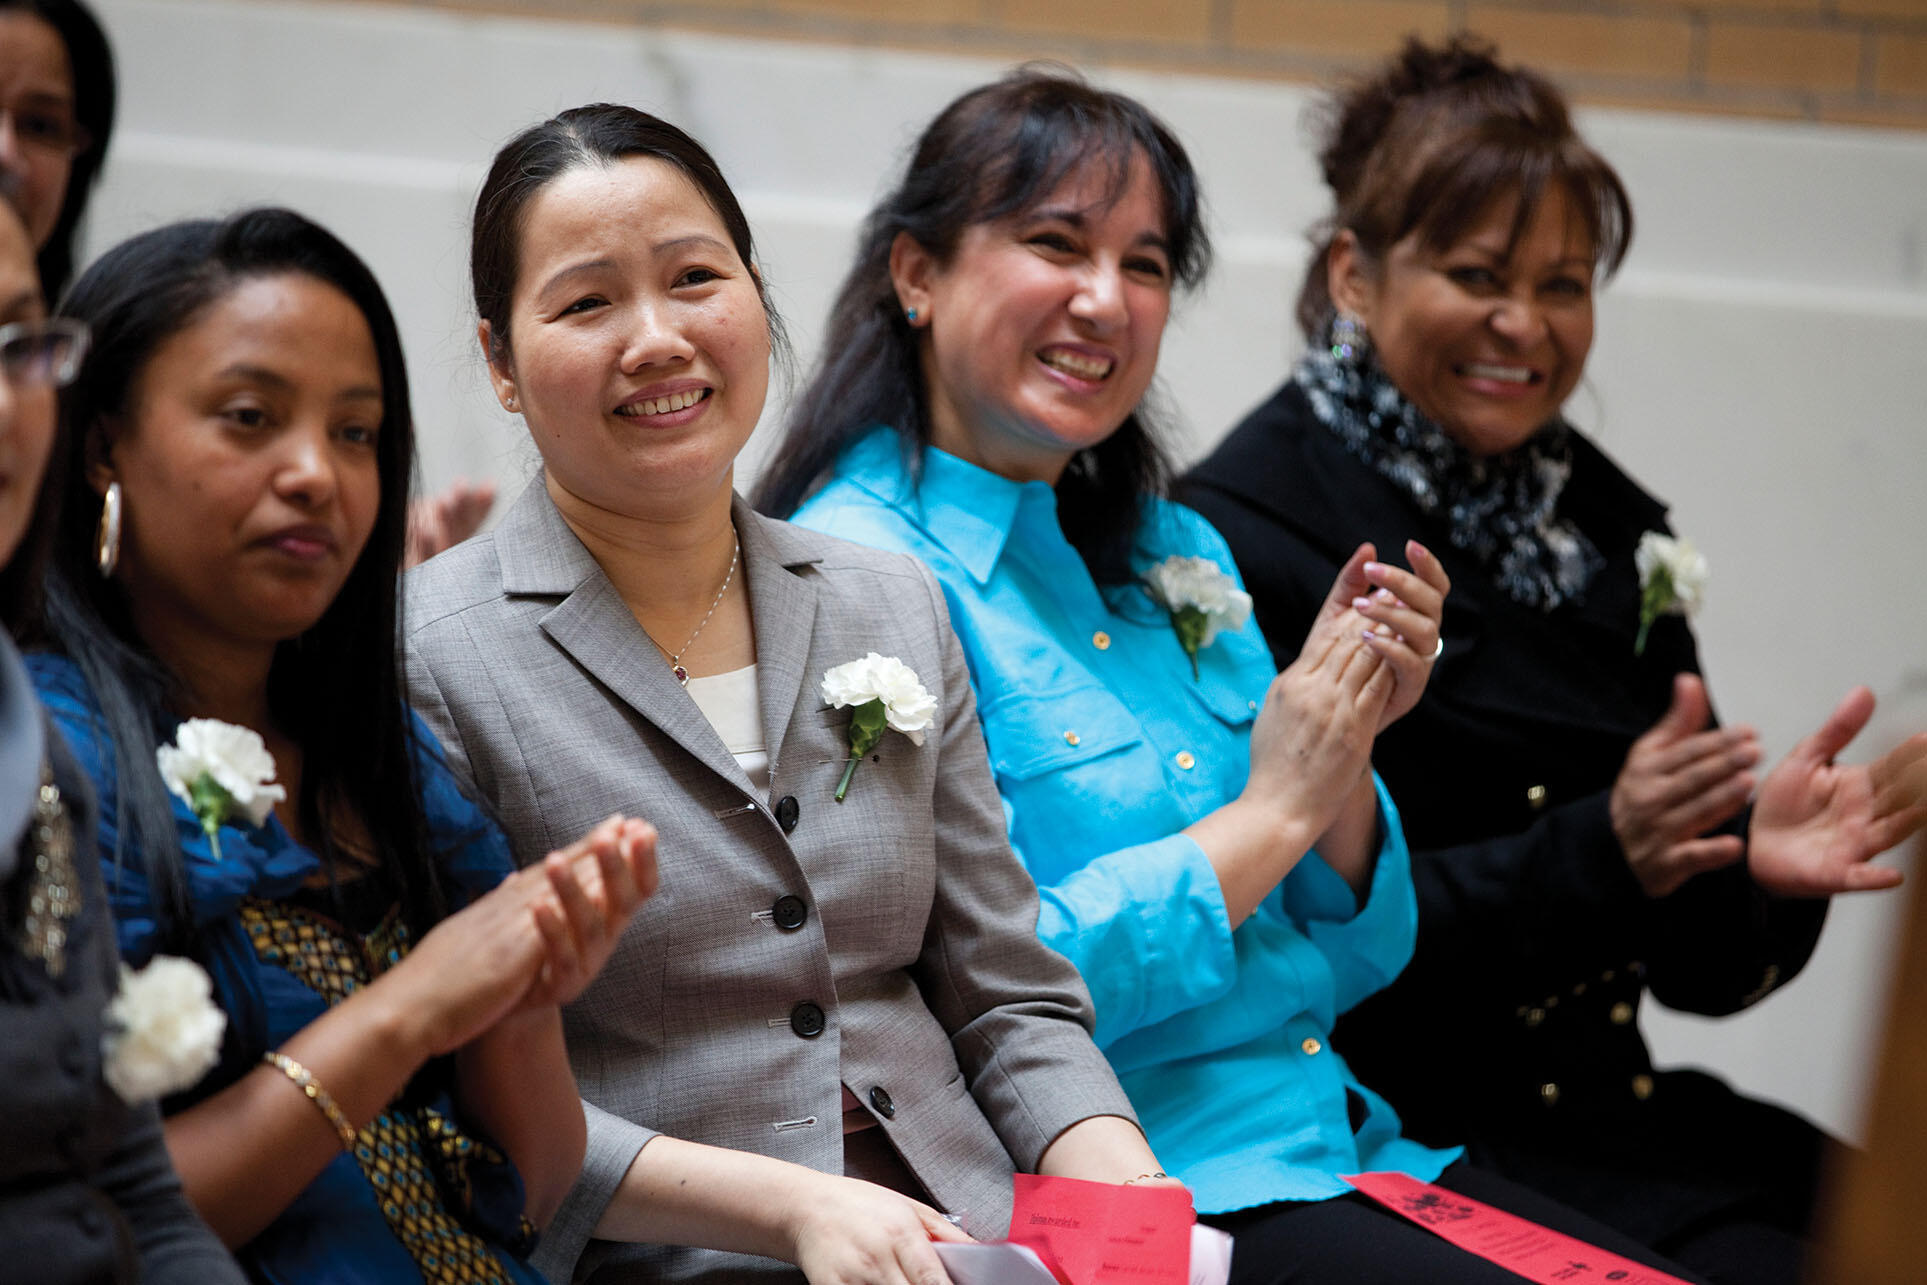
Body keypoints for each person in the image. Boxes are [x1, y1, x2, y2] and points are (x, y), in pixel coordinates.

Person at [763, 66, 1708, 1285]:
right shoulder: (851, 578)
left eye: (1146, 265)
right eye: (1057, 244)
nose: (1104, 300)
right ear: (917, 273)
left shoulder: (1175, 549)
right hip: (1146, 1195)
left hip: (1350, 1142)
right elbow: (940, 1002)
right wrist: (1272, 812)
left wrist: (1346, 748)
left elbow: (1355, 960)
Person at [1173, 36, 1927, 1285]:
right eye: (1476, 275)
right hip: (1393, 1135)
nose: (1523, 326)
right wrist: (1601, 856)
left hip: (1613, 1111)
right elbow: (1277, 960)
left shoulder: (1608, 531)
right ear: (1354, 274)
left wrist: (1762, 874)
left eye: (1563, 284)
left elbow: (1686, 966)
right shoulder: (1242, 537)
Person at [406, 103, 1172, 1285]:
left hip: (966, 1236)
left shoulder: (890, 602)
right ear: (502, 366)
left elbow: (1006, 997)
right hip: (674, 1256)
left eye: (694, 278)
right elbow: (465, 1086)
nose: (657, 338)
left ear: (756, 300)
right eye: (586, 302)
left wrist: (1124, 1197)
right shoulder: (432, 656)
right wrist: (794, 1211)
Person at [27, 205, 657, 1282]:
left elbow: (540, 1181)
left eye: (357, 432)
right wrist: (408, 1010)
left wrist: (523, 988)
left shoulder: (382, 752)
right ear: (101, 444)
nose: (316, 471)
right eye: (248, 416)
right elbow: (80, 1225)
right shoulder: (44, 760)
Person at [0, 188, 241, 1285]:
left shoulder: (23, 732)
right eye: (246, 416)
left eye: (19, 346)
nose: (6, 406)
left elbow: (129, 1181)